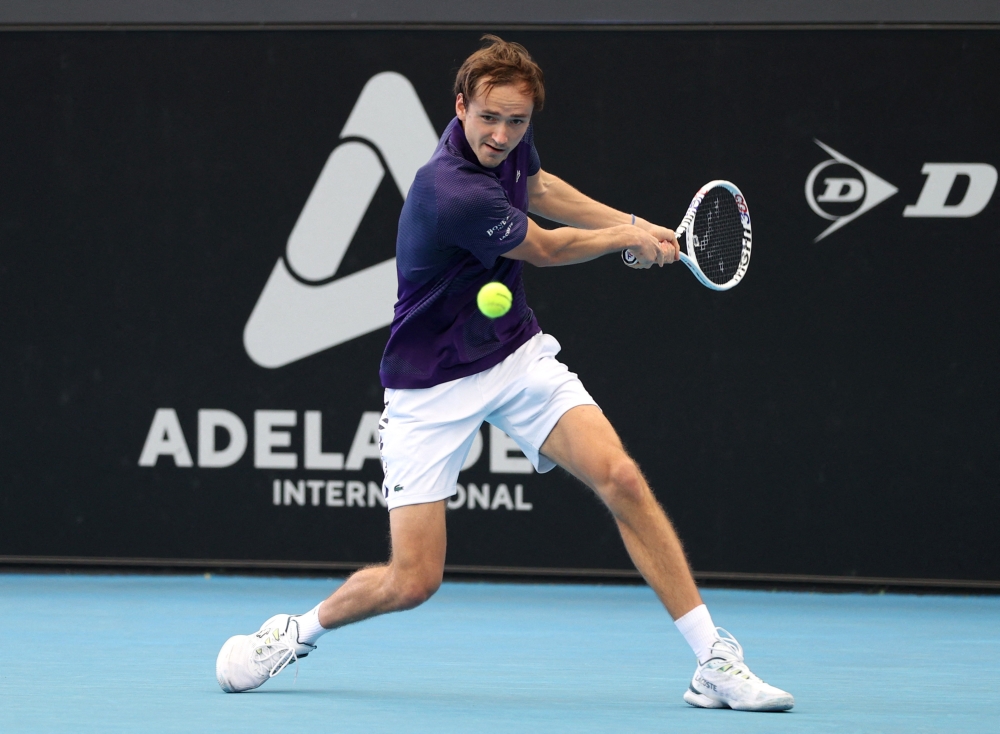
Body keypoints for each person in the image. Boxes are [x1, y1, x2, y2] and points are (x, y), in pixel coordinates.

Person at [216, 35, 793, 712]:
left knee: (622, 478)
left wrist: (635, 223)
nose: (501, 134)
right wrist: (623, 239)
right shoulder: (449, 190)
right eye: (489, 118)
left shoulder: (508, 147)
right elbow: (545, 248)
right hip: (429, 385)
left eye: (516, 122)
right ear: (459, 106)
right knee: (413, 580)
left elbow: (542, 189)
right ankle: (294, 632)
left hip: (514, 356)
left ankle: (714, 665)